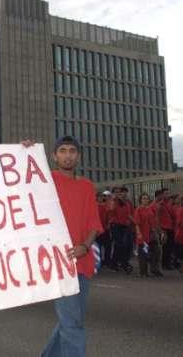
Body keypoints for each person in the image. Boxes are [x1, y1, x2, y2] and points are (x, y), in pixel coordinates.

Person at [23, 135, 103, 357]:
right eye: (63, 151)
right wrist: (24, 154)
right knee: (72, 323)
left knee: (71, 320)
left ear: (78, 155)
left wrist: (85, 247)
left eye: (72, 151)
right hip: (58, 263)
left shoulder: (87, 186)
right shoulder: (45, 181)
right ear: (54, 156)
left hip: (83, 262)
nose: (68, 155)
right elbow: (19, 182)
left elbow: (94, 224)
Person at [133, 193, 161, 277]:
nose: (145, 200)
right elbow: (137, 223)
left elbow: (154, 222)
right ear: (140, 200)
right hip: (143, 235)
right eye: (144, 198)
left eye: (147, 198)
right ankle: (143, 272)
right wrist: (139, 234)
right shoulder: (138, 210)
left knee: (156, 251)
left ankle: (154, 269)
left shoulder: (150, 209)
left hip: (151, 235)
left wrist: (158, 232)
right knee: (143, 253)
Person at [107, 186, 134, 273]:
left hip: (125, 226)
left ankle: (121, 262)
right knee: (119, 244)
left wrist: (134, 223)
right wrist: (114, 199)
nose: (119, 193)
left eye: (120, 192)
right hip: (115, 225)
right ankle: (116, 263)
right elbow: (111, 209)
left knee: (126, 245)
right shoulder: (113, 201)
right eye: (116, 192)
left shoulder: (127, 202)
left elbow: (130, 214)